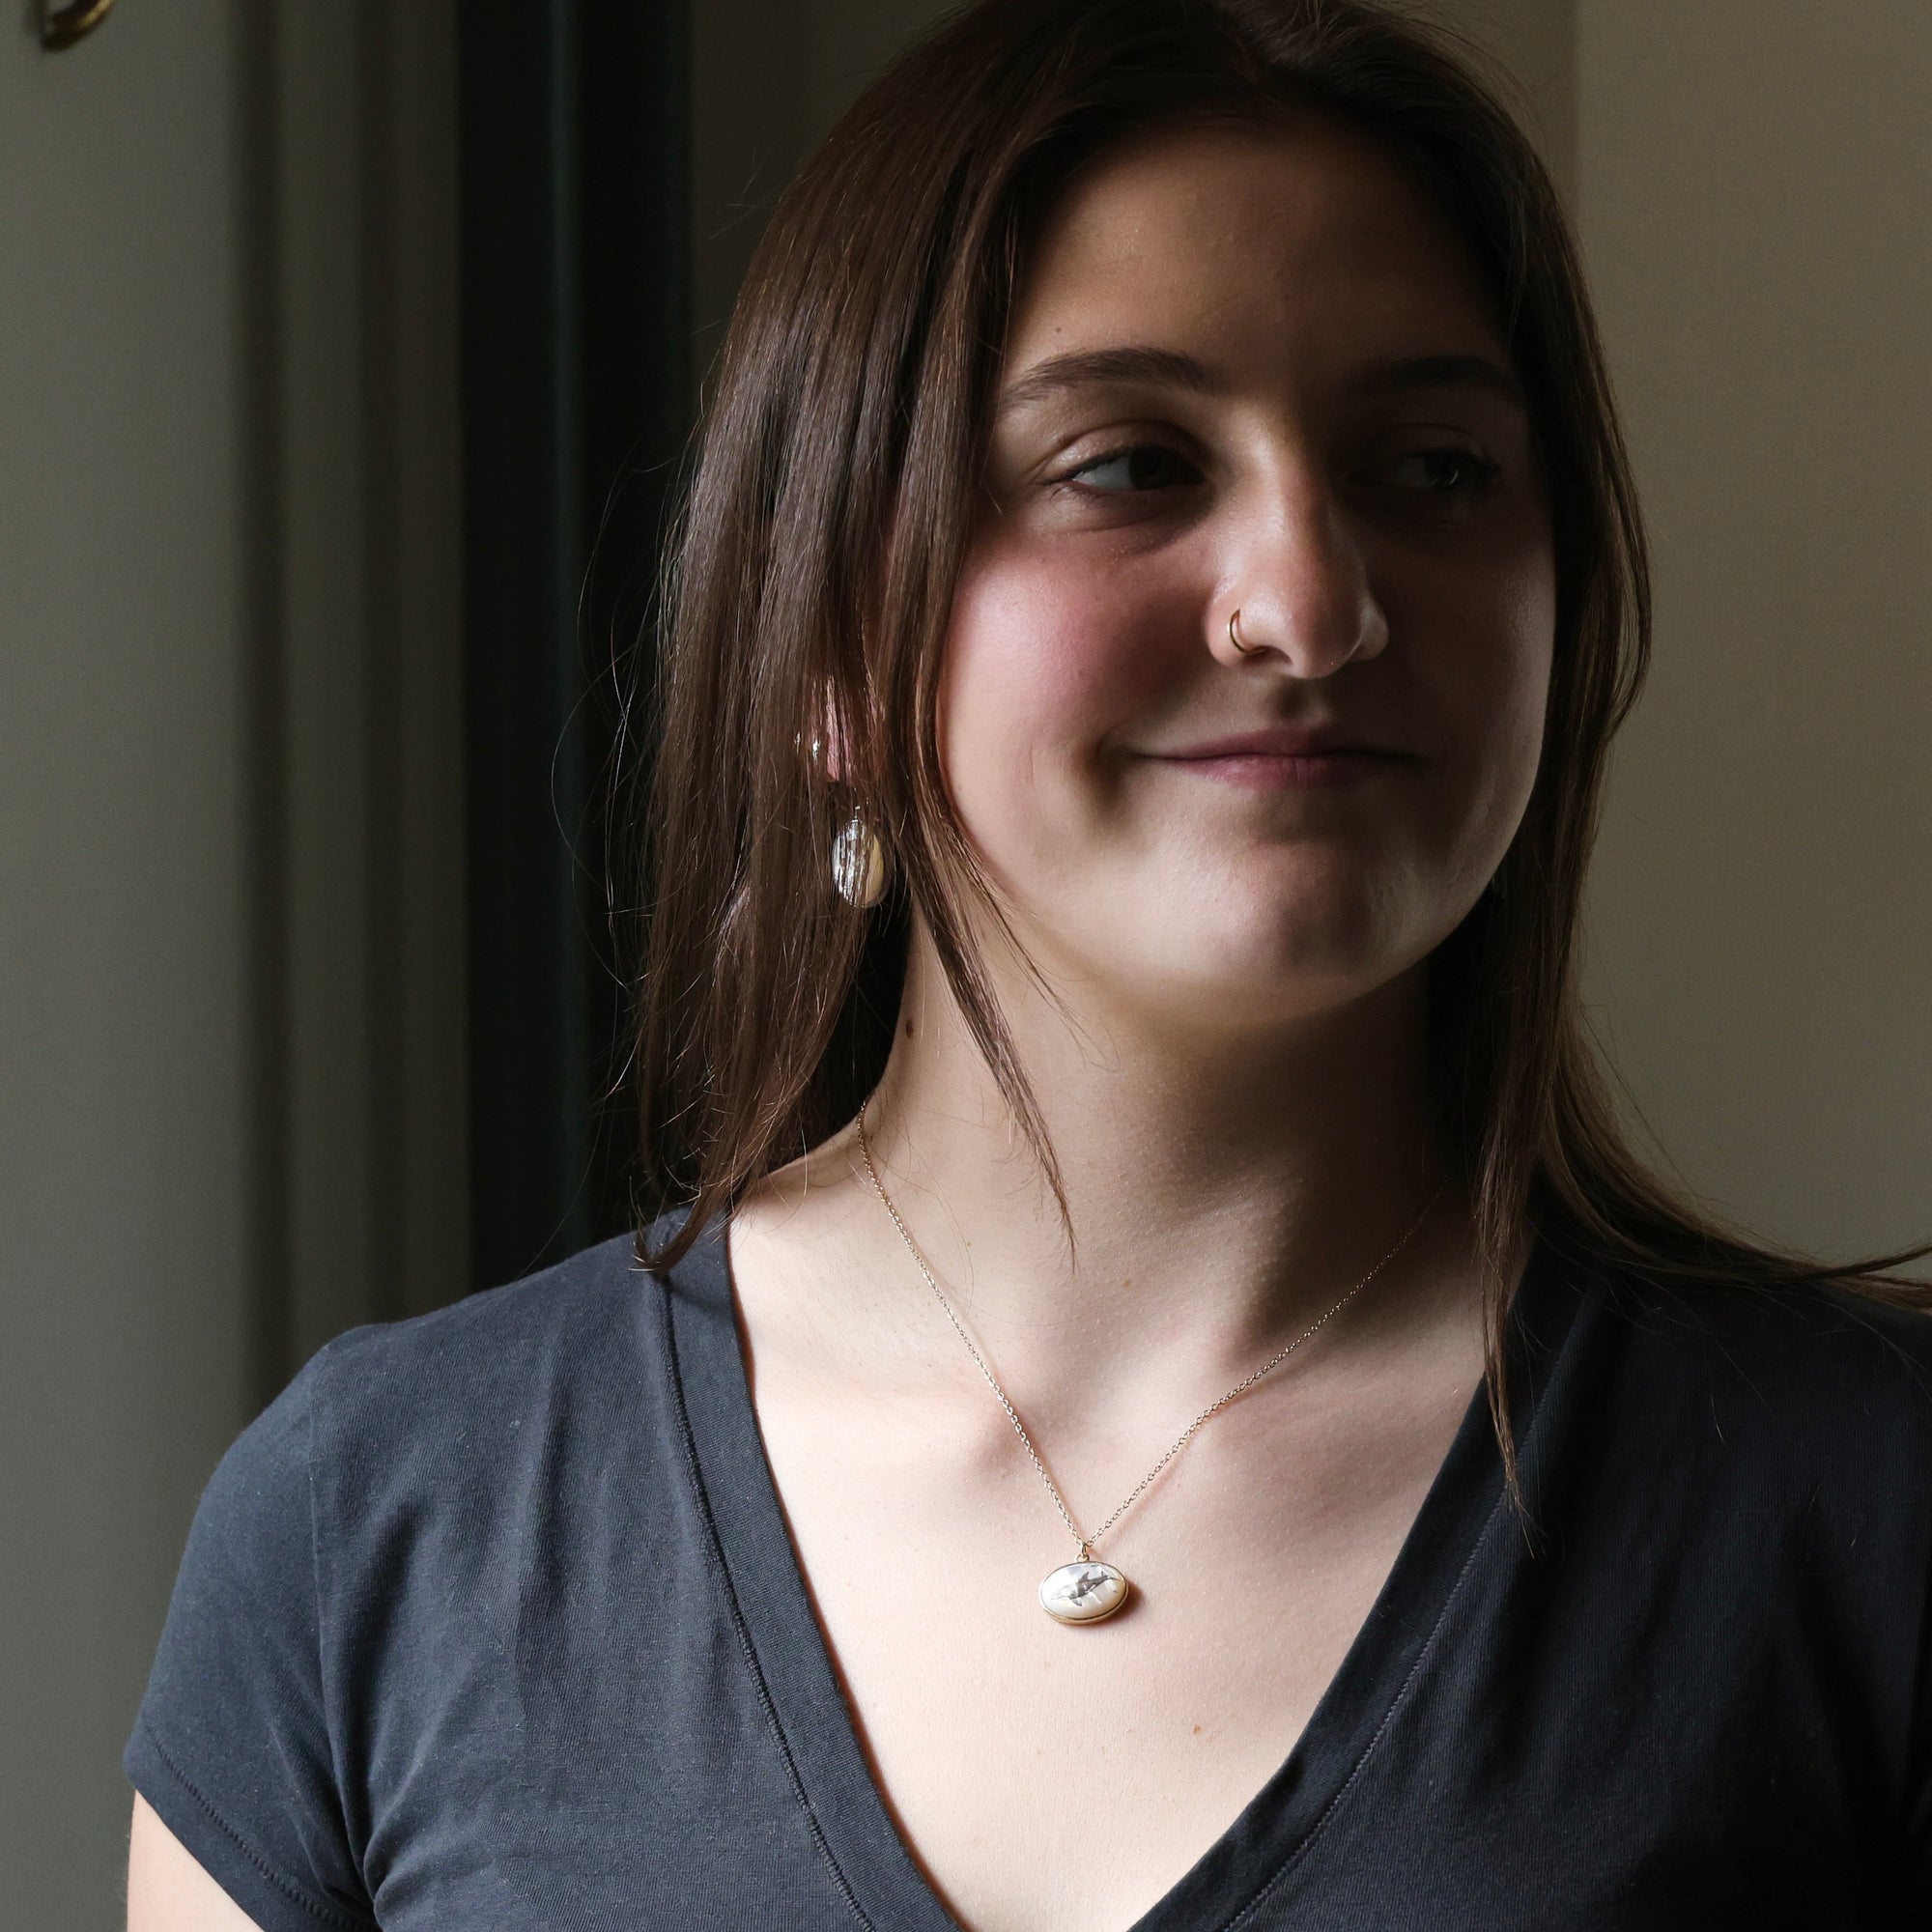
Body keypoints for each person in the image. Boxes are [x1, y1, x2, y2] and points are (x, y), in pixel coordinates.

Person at [126, 1, 1932, 1926]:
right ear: (827, 645)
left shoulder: (1868, 1514)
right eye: (1132, 464)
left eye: (1433, 467)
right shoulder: (378, 1528)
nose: (1309, 598)